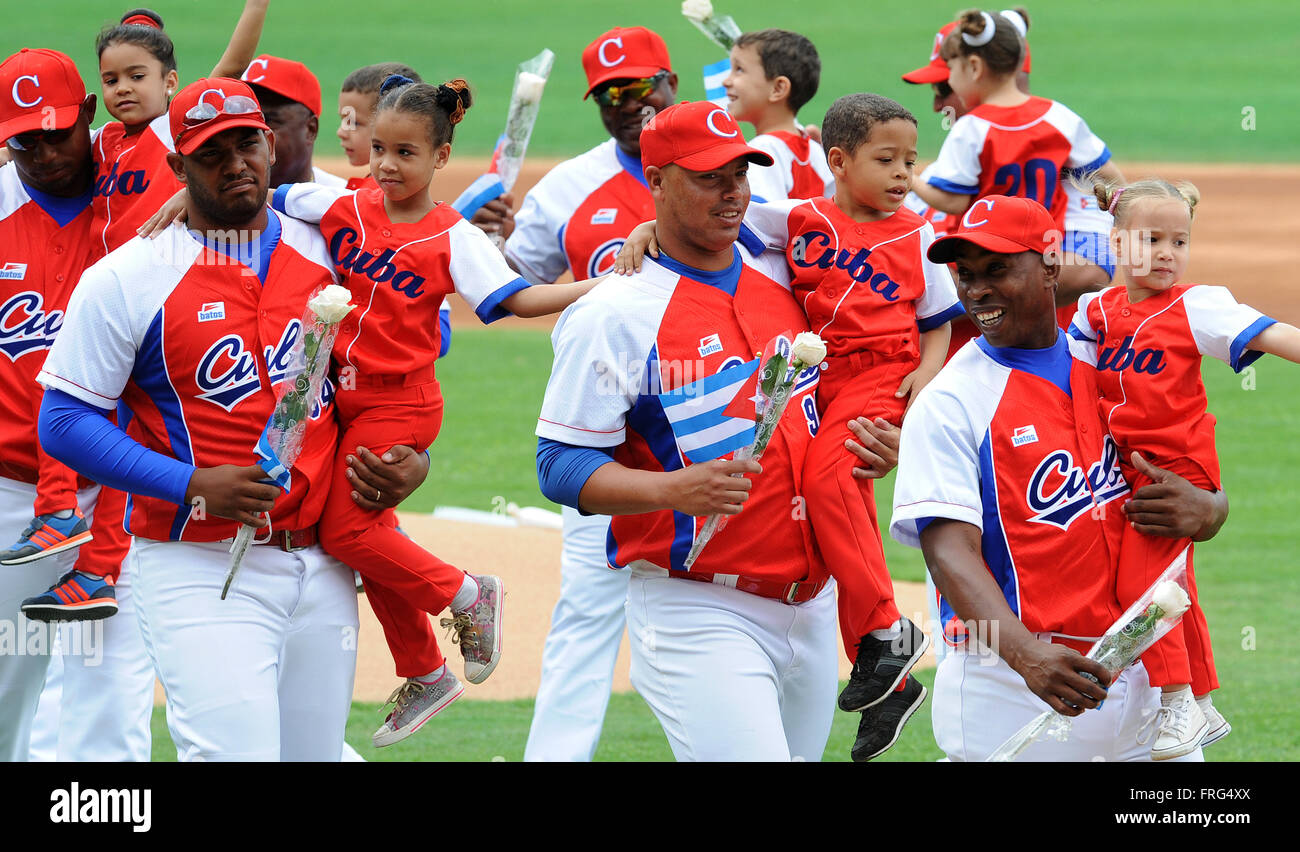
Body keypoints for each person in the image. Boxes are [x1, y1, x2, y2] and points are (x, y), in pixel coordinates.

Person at [35, 77, 428, 761]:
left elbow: (406, 359)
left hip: (322, 562)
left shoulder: (332, 246)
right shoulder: (128, 278)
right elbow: (65, 421)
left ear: (270, 146)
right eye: (211, 153)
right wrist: (192, 481)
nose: (234, 163)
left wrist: (411, 458)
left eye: (245, 143)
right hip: (197, 563)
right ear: (177, 168)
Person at [614, 92, 963, 760]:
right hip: (823, 380)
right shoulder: (798, 220)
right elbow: (719, 225)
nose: (901, 174)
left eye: (909, 161)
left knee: (830, 480)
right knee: (832, 486)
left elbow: (940, 318)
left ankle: (886, 635)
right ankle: (881, 667)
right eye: (886, 159)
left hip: (878, 373)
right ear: (837, 161)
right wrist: (642, 232)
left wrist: (926, 375)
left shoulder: (915, 233)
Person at [270, 74, 599, 747]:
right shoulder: (344, 205)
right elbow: (259, 194)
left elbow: (517, 300)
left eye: (407, 153)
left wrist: (602, 284)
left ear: (441, 158)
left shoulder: (451, 237)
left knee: (348, 534)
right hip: (345, 401)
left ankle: (467, 595)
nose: (387, 164)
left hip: (401, 402)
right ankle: (425, 669)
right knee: (372, 534)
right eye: (380, 149)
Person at [536, 99, 843, 761]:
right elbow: (558, 464)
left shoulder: (781, 272)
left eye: (740, 172)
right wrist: (672, 489)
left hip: (816, 603)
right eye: (708, 176)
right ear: (655, 181)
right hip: (699, 611)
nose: (731, 191)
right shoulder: (613, 315)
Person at [890, 194, 1227, 761]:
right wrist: (1025, 655)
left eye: (998, 269)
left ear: (1050, 263)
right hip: (1013, 683)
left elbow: (1182, 465)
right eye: (965, 275)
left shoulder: (1111, 367)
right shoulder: (951, 400)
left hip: (1146, 667)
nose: (978, 290)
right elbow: (948, 552)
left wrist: (1213, 509)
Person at [1069, 177, 1300, 757]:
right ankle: (1201, 703)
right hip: (1120, 475)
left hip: (1179, 473)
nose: (1167, 253)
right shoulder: (1095, 310)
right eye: (1151, 240)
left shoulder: (1197, 304)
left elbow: (1272, 335)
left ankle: (1176, 700)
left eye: (1179, 241)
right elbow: (1064, 383)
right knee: (1171, 584)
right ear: (1117, 245)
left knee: (1143, 587)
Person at [501, 26, 677, 762]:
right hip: (601, 429)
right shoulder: (569, 186)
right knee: (585, 617)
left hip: (713, 428)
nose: (627, 104)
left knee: (707, 619)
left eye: (639, 88)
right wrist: (491, 240)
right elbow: (512, 283)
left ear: (670, 82)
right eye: (610, 95)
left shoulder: (738, 173)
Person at [900, 8, 1117, 362]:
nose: (939, 103)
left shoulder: (1075, 186)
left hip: (1034, 357)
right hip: (950, 366)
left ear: (975, 70)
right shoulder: (1056, 125)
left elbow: (1091, 274)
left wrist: (957, 283)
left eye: (945, 84)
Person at [721, 28, 833, 202]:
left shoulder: (763, 152)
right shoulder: (815, 150)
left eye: (739, 69)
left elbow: (758, 218)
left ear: (778, 88)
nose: (726, 81)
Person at [240, 53, 344, 188]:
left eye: (268, 121)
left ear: (310, 129)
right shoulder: (215, 203)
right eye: (244, 120)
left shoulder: (344, 202)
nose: (250, 136)